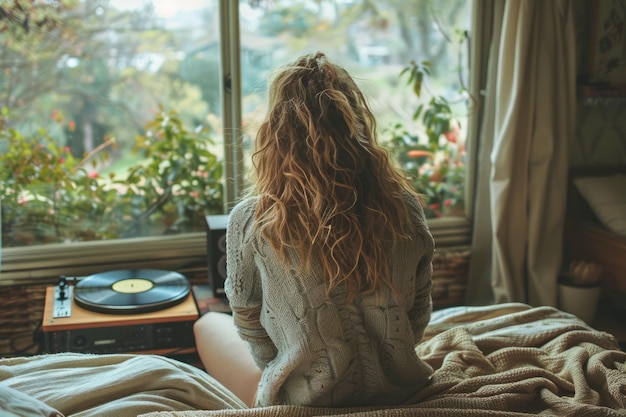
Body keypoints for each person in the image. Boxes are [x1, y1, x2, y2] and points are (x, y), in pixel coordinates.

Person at [193, 51, 435, 408]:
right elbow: (419, 312)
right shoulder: (403, 205)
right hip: (400, 387)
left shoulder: (250, 220)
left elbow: (248, 322)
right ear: (357, 125)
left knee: (208, 324)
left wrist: (287, 370)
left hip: (307, 402)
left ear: (275, 133)